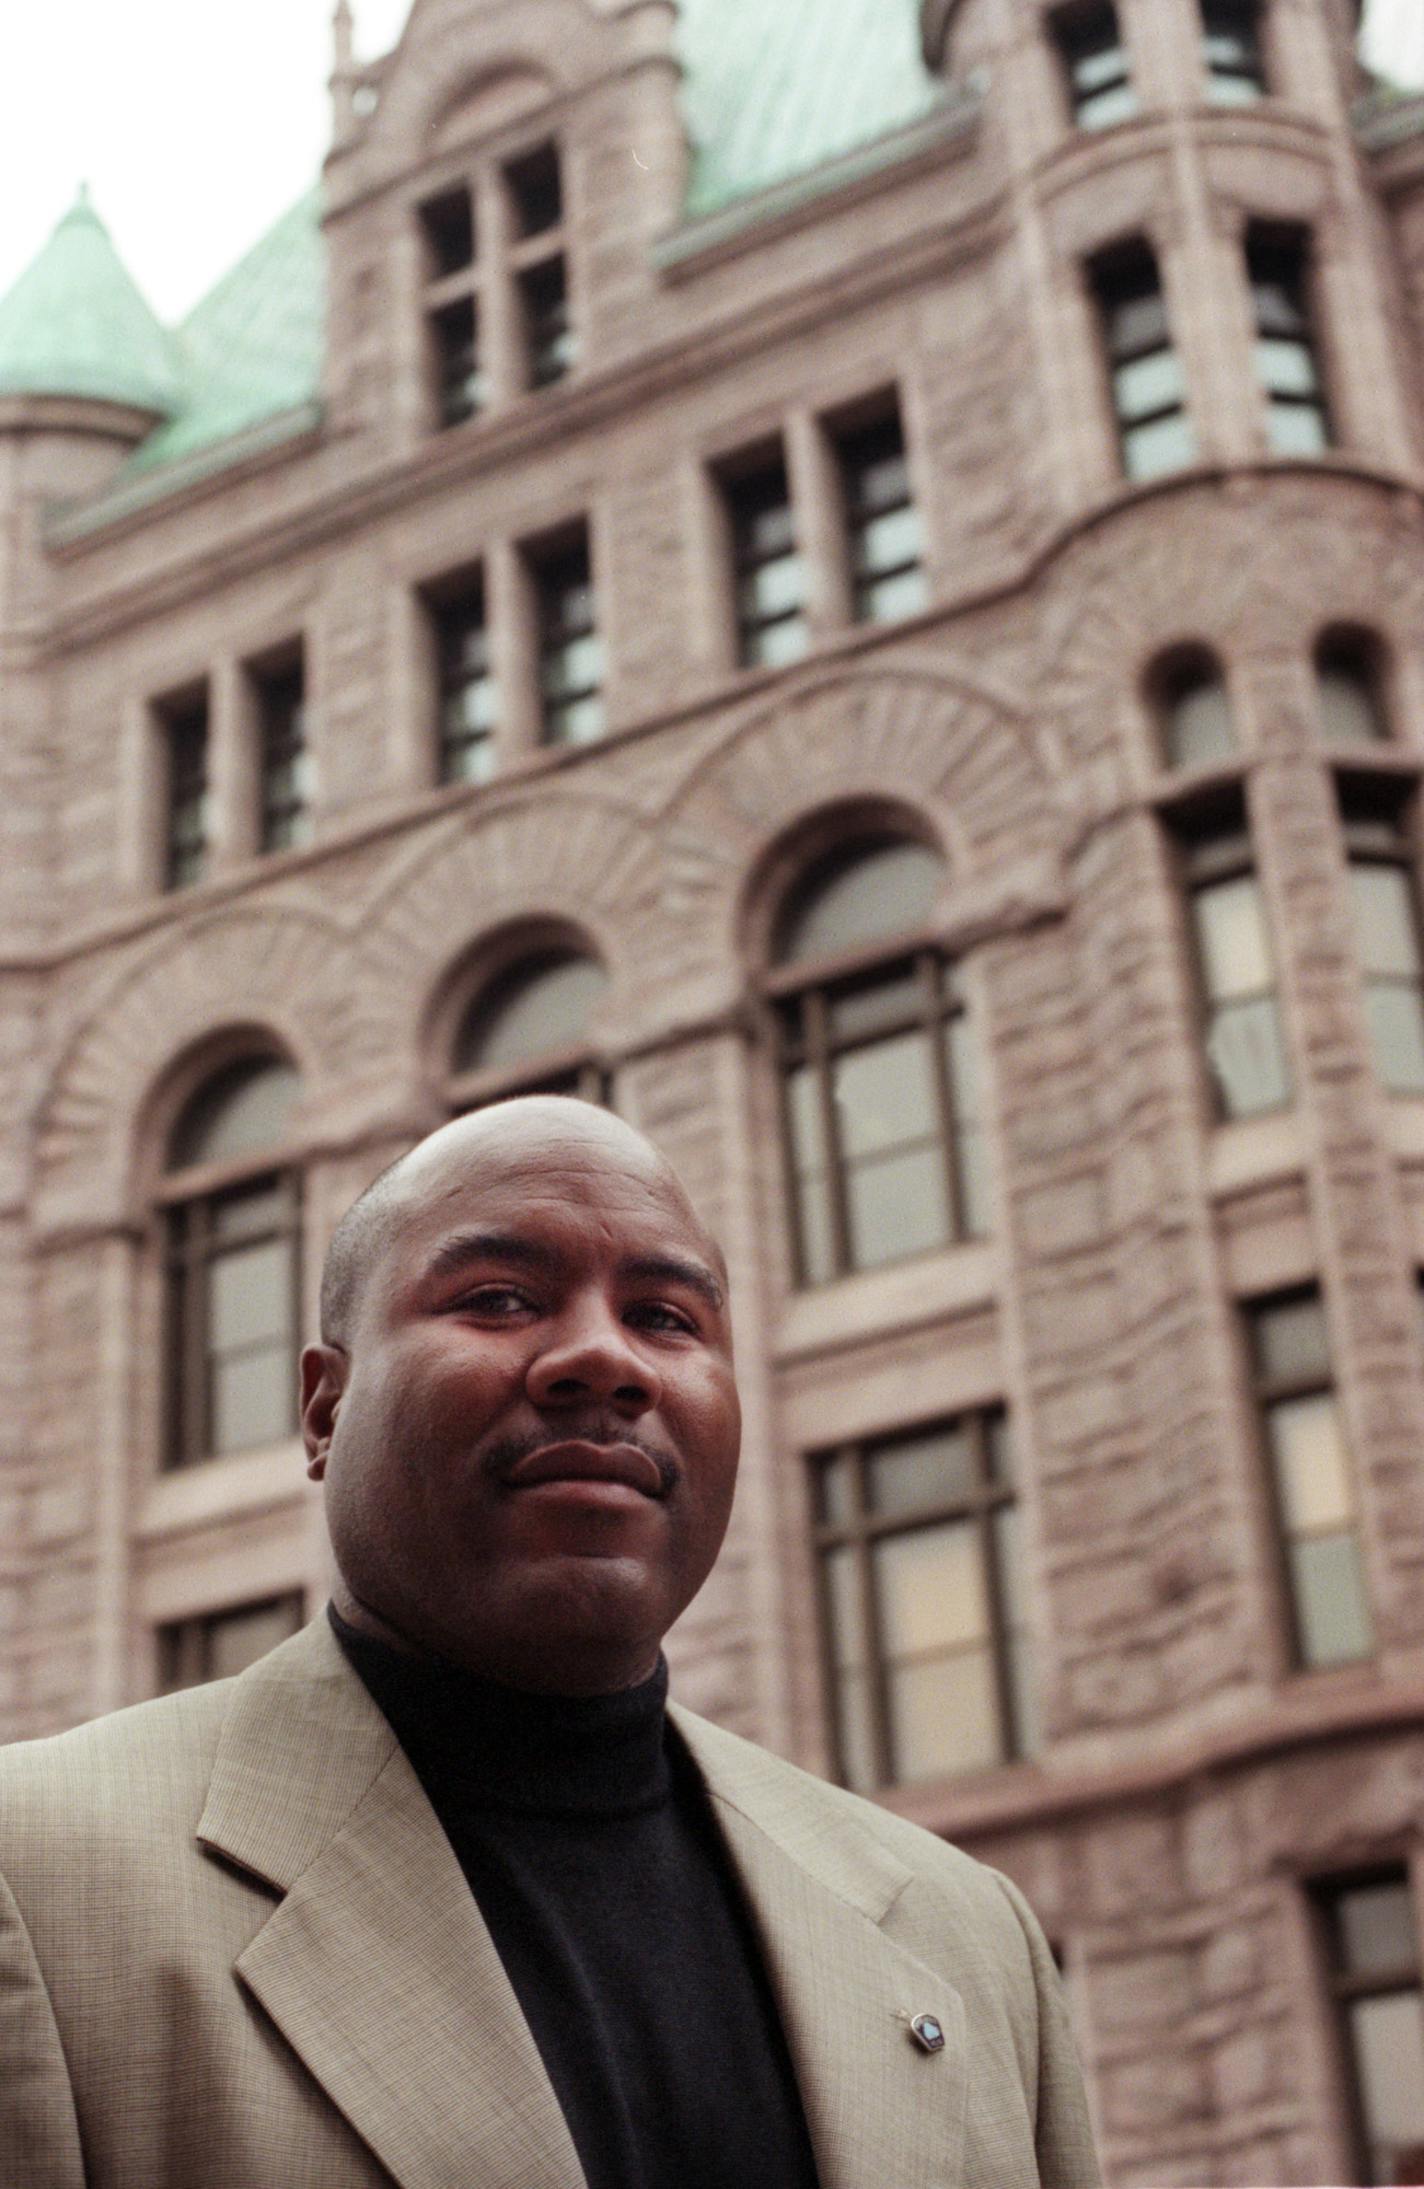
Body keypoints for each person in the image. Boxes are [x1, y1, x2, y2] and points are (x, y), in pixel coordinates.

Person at [0, 1097, 1100, 2189]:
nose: (601, 1358)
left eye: (666, 1316)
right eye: (500, 1298)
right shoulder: (40, 1882)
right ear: (324, 1409)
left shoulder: (972, 1942)